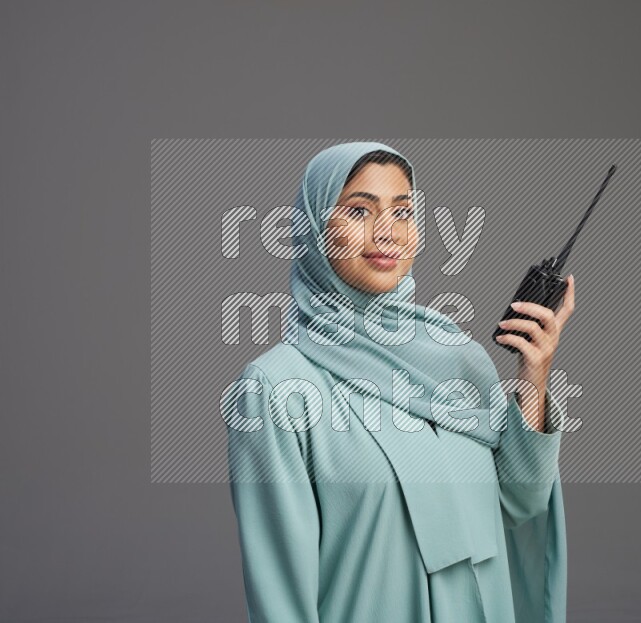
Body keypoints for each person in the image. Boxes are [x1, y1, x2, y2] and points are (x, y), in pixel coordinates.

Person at [224, 141, 575, 622]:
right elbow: (280, 597)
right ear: (313, 230)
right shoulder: (276, 389)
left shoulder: (459, 360)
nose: (387, 231)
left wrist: (533, 375)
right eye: (359, 210)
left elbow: (519, 504)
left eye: (403, 212)